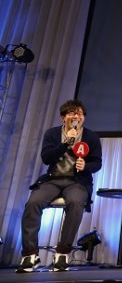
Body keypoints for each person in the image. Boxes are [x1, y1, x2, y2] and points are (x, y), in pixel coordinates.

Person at [16, 99, 103, 273]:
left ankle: (63, 252)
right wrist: (65, 143)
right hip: (53, 179)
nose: (76, 116)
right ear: (63, 117)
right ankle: (30, 254)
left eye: (80, 113)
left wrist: (85, 166)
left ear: (84, 117)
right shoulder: (52, 134)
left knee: (76, 202)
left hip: (77, 182)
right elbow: (47, 158)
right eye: (72, 113)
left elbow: (97, 163)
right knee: (33, 203)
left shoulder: (91, 137)